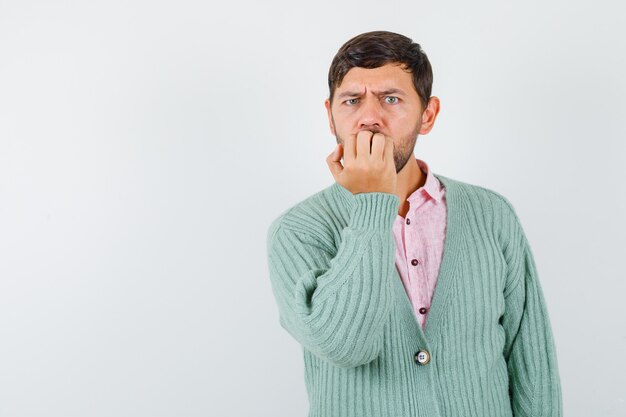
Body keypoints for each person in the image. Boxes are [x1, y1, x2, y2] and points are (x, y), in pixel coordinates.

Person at [266, 30, 562, 417]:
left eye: (391, 99)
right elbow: (343, 344)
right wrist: (373, 203)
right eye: (352, 101)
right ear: (330, 115)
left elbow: (531, 363)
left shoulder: (491, 213)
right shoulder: (297, 231)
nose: (369, 118)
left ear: (428, 114)